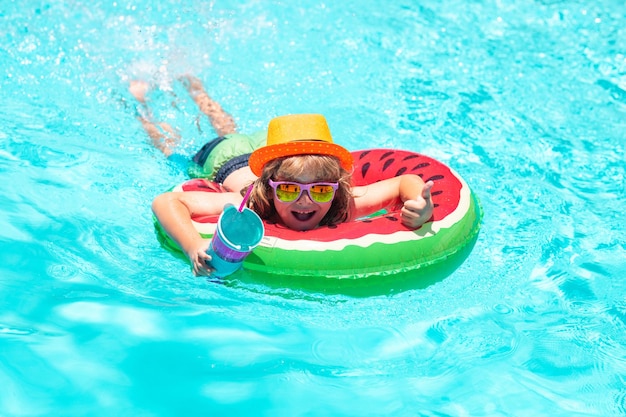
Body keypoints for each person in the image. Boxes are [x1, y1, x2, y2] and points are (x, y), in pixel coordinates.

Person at [130, 76, 434, 277]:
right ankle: (143, 106)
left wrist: (421, 203)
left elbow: (403, 181)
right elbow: (167, 201)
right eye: (288, 191)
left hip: (275, 150)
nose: (305, 201)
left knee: (227, 123)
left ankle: (196, 85)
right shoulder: (249, 204)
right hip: (225, 156)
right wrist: (194, 245)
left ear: (336, 187)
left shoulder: (343, 201)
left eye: (320, 191)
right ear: (269, 188)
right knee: (171, 146)